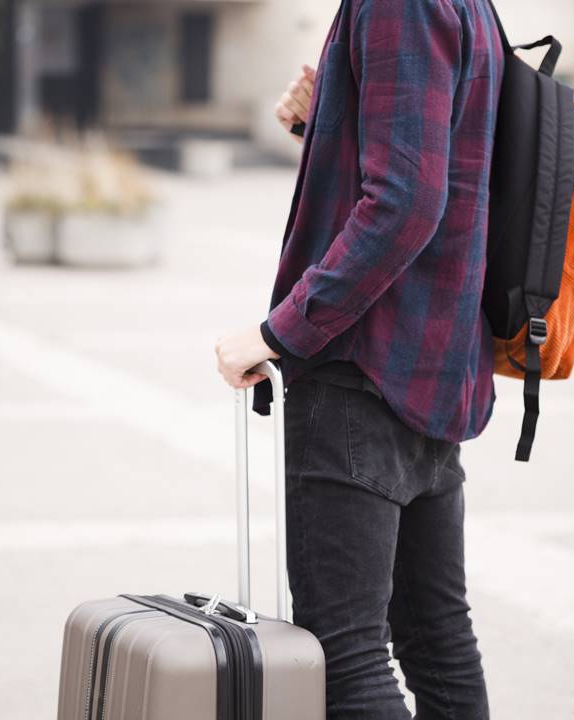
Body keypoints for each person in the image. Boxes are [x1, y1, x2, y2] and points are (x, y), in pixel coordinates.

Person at [215, 0, 504, 717]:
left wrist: (280, 333)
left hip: (363, 370)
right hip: (433, 365)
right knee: (437, 640)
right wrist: (324, 123)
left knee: (344, 660)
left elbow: (407, 202)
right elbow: (445, 161)